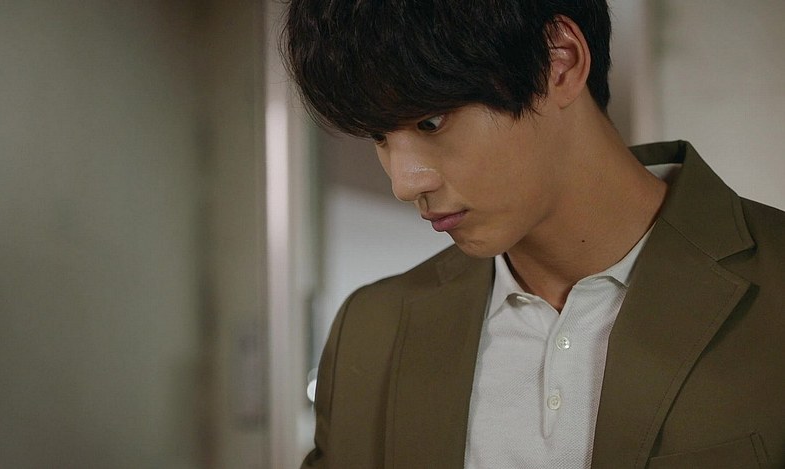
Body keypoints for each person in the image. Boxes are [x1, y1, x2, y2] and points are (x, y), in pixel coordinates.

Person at [282, 1, 785, 467]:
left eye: (431, 122)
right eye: (379, 136)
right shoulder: (370, 332)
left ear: (558, 62)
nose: (404, 182)